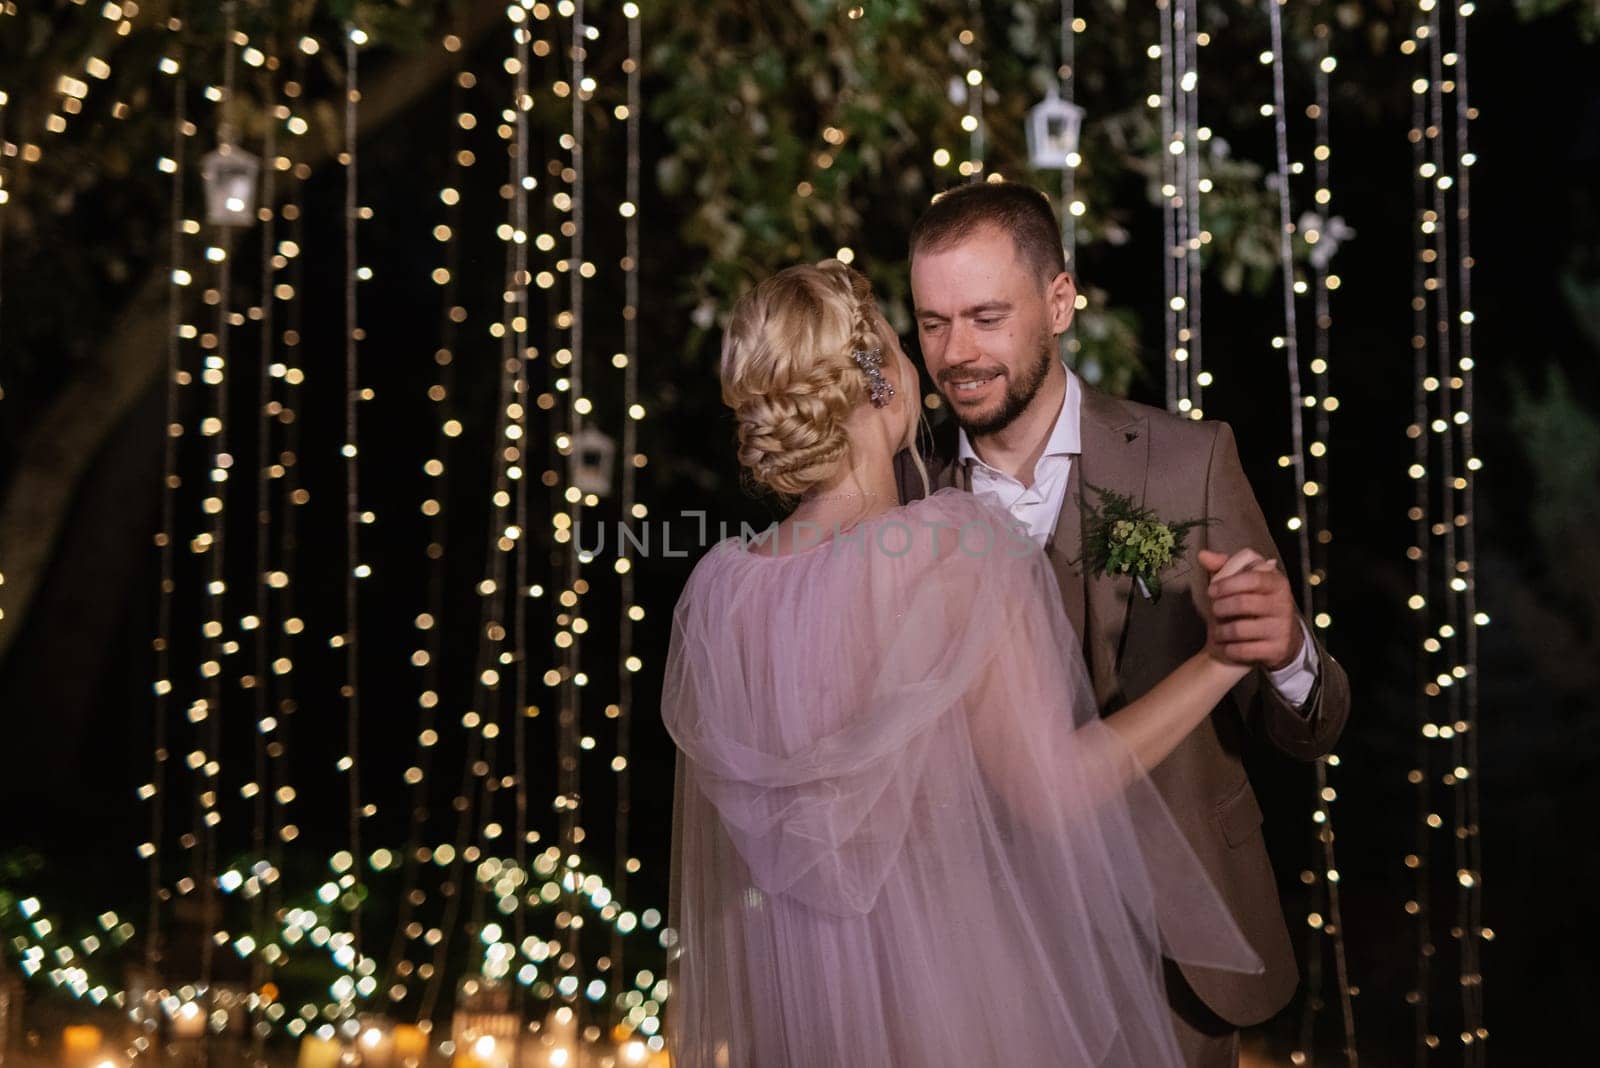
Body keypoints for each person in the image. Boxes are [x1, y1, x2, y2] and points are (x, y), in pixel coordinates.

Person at [661, 259, 1291, 1066]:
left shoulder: (726, 594)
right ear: (883, 379)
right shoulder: (949, 550)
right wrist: (1222, 659)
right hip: (963, 998)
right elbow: (1054, 791)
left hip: (815, 1010)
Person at [901, 180, 1352, 1067]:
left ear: (1060, 301)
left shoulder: (1190, 461)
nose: (956, 353)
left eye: (986, 316)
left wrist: (1289, 654)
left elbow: (1314, 721)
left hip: (1176, 946)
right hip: (979, 958)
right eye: (931, 323)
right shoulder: (900, 493)